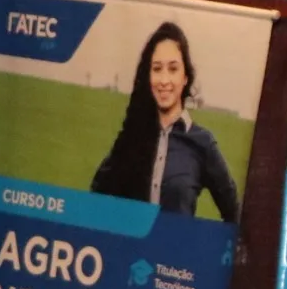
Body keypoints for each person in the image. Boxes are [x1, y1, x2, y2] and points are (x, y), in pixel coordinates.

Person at [91, 21, 241, 222]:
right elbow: (96, 198)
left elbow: (233, 212)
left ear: (185, 77)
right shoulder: (133, 136)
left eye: (173, 69)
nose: (164, 80)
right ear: (148, 76)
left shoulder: (202, 143)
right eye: (157, 69)